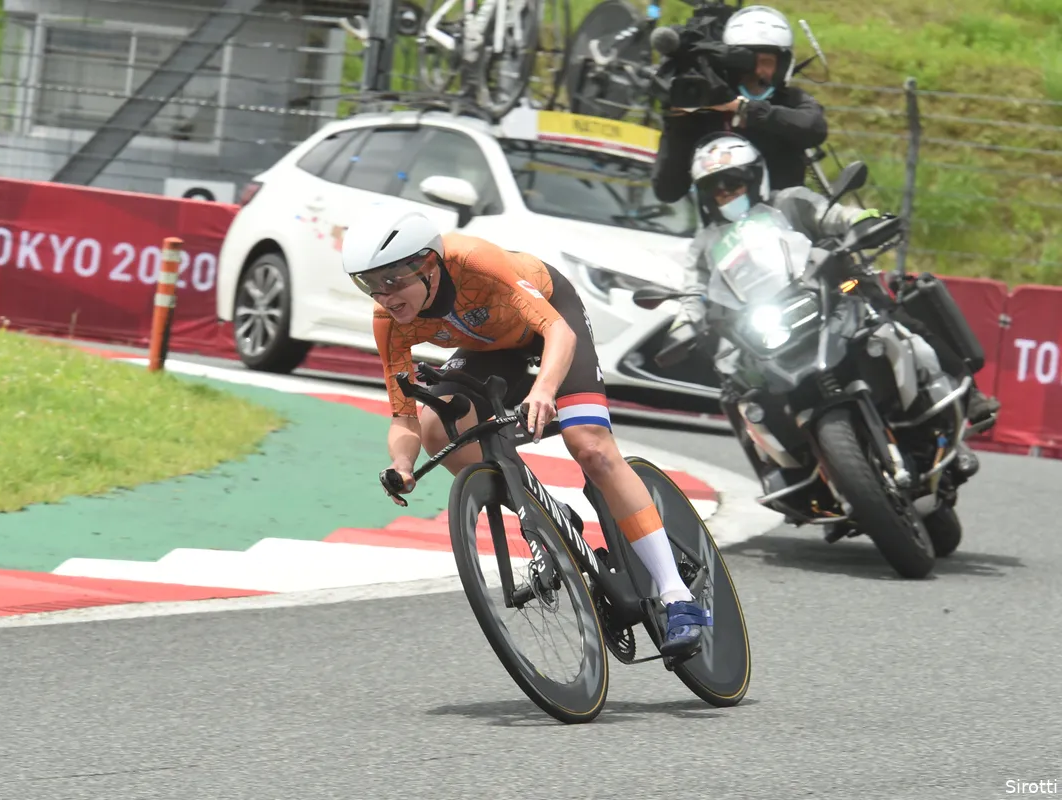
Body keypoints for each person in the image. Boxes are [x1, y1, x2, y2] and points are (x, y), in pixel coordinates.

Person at [340, 202, 709, 656]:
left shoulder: (475, 262)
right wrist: (401, 461)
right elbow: (404, 416)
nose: (384, 296)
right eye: (369, 285)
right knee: (438, 424)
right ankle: (547, 515)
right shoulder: (389, 323)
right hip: (491, 348)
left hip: (552, 320)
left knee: (589, 445)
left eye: (391, 280)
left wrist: (545, 389)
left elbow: (559, 333)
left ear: (429, 266)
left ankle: (677, 597)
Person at [670, 132, 987, 485]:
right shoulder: (705, 244)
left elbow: (835, 215)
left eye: (733, 183)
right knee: (739, 390)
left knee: (893, 319)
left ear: (755, 178)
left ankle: (966, 399)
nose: (725, 193)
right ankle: (786, 471)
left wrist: (866, 219)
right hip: (765, 328)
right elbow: (693, 291)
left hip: (825, 297)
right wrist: (684, 324)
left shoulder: (790, 202)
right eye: (715, 189)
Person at [650, 5, 828, 205]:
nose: (758, 71)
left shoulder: (791, 100)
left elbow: (815, 127)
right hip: (723, 231)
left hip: (785, 227)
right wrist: (678, 122)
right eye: (748, 63)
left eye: (767, 62)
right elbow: (667, 191)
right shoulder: (705, 111)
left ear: (782, 65)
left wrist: (743, 109)